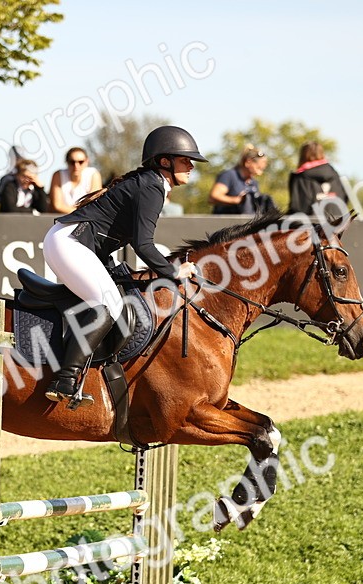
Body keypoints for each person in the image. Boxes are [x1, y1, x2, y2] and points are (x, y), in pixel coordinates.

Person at [39, 124, 205, 405]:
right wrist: (174, 271)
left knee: (113, 296)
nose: (191, 166)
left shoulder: (151, 182)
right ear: (165, 161)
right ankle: (65, 380)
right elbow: (143, 245)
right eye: (185, 159)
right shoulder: (153, 185)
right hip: (71, 243)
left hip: (76, 243)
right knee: (108, 306)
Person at [287, 141, 349, 217]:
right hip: (339, 225)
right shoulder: (335, 176)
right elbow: (345, 200)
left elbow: (298, 208)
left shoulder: (301, 178)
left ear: (302, 156)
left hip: (312, 226)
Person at [209, 146, 270, 215]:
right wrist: (237, 200)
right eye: (258, 167)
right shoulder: (230, 175)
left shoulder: (253, 183)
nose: (260, 173)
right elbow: (213, 197)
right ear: (248, 162)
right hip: (225, 221)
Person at [49, 146, 102, 214]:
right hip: (62, 218)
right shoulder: (58, 175)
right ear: (67, 162)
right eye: (72, 162)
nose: (76, 166)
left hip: (86, 219)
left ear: (87, 162)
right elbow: (57, 206)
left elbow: (93, 203)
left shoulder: (93, 174)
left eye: (80, 162)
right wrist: (79, 211)